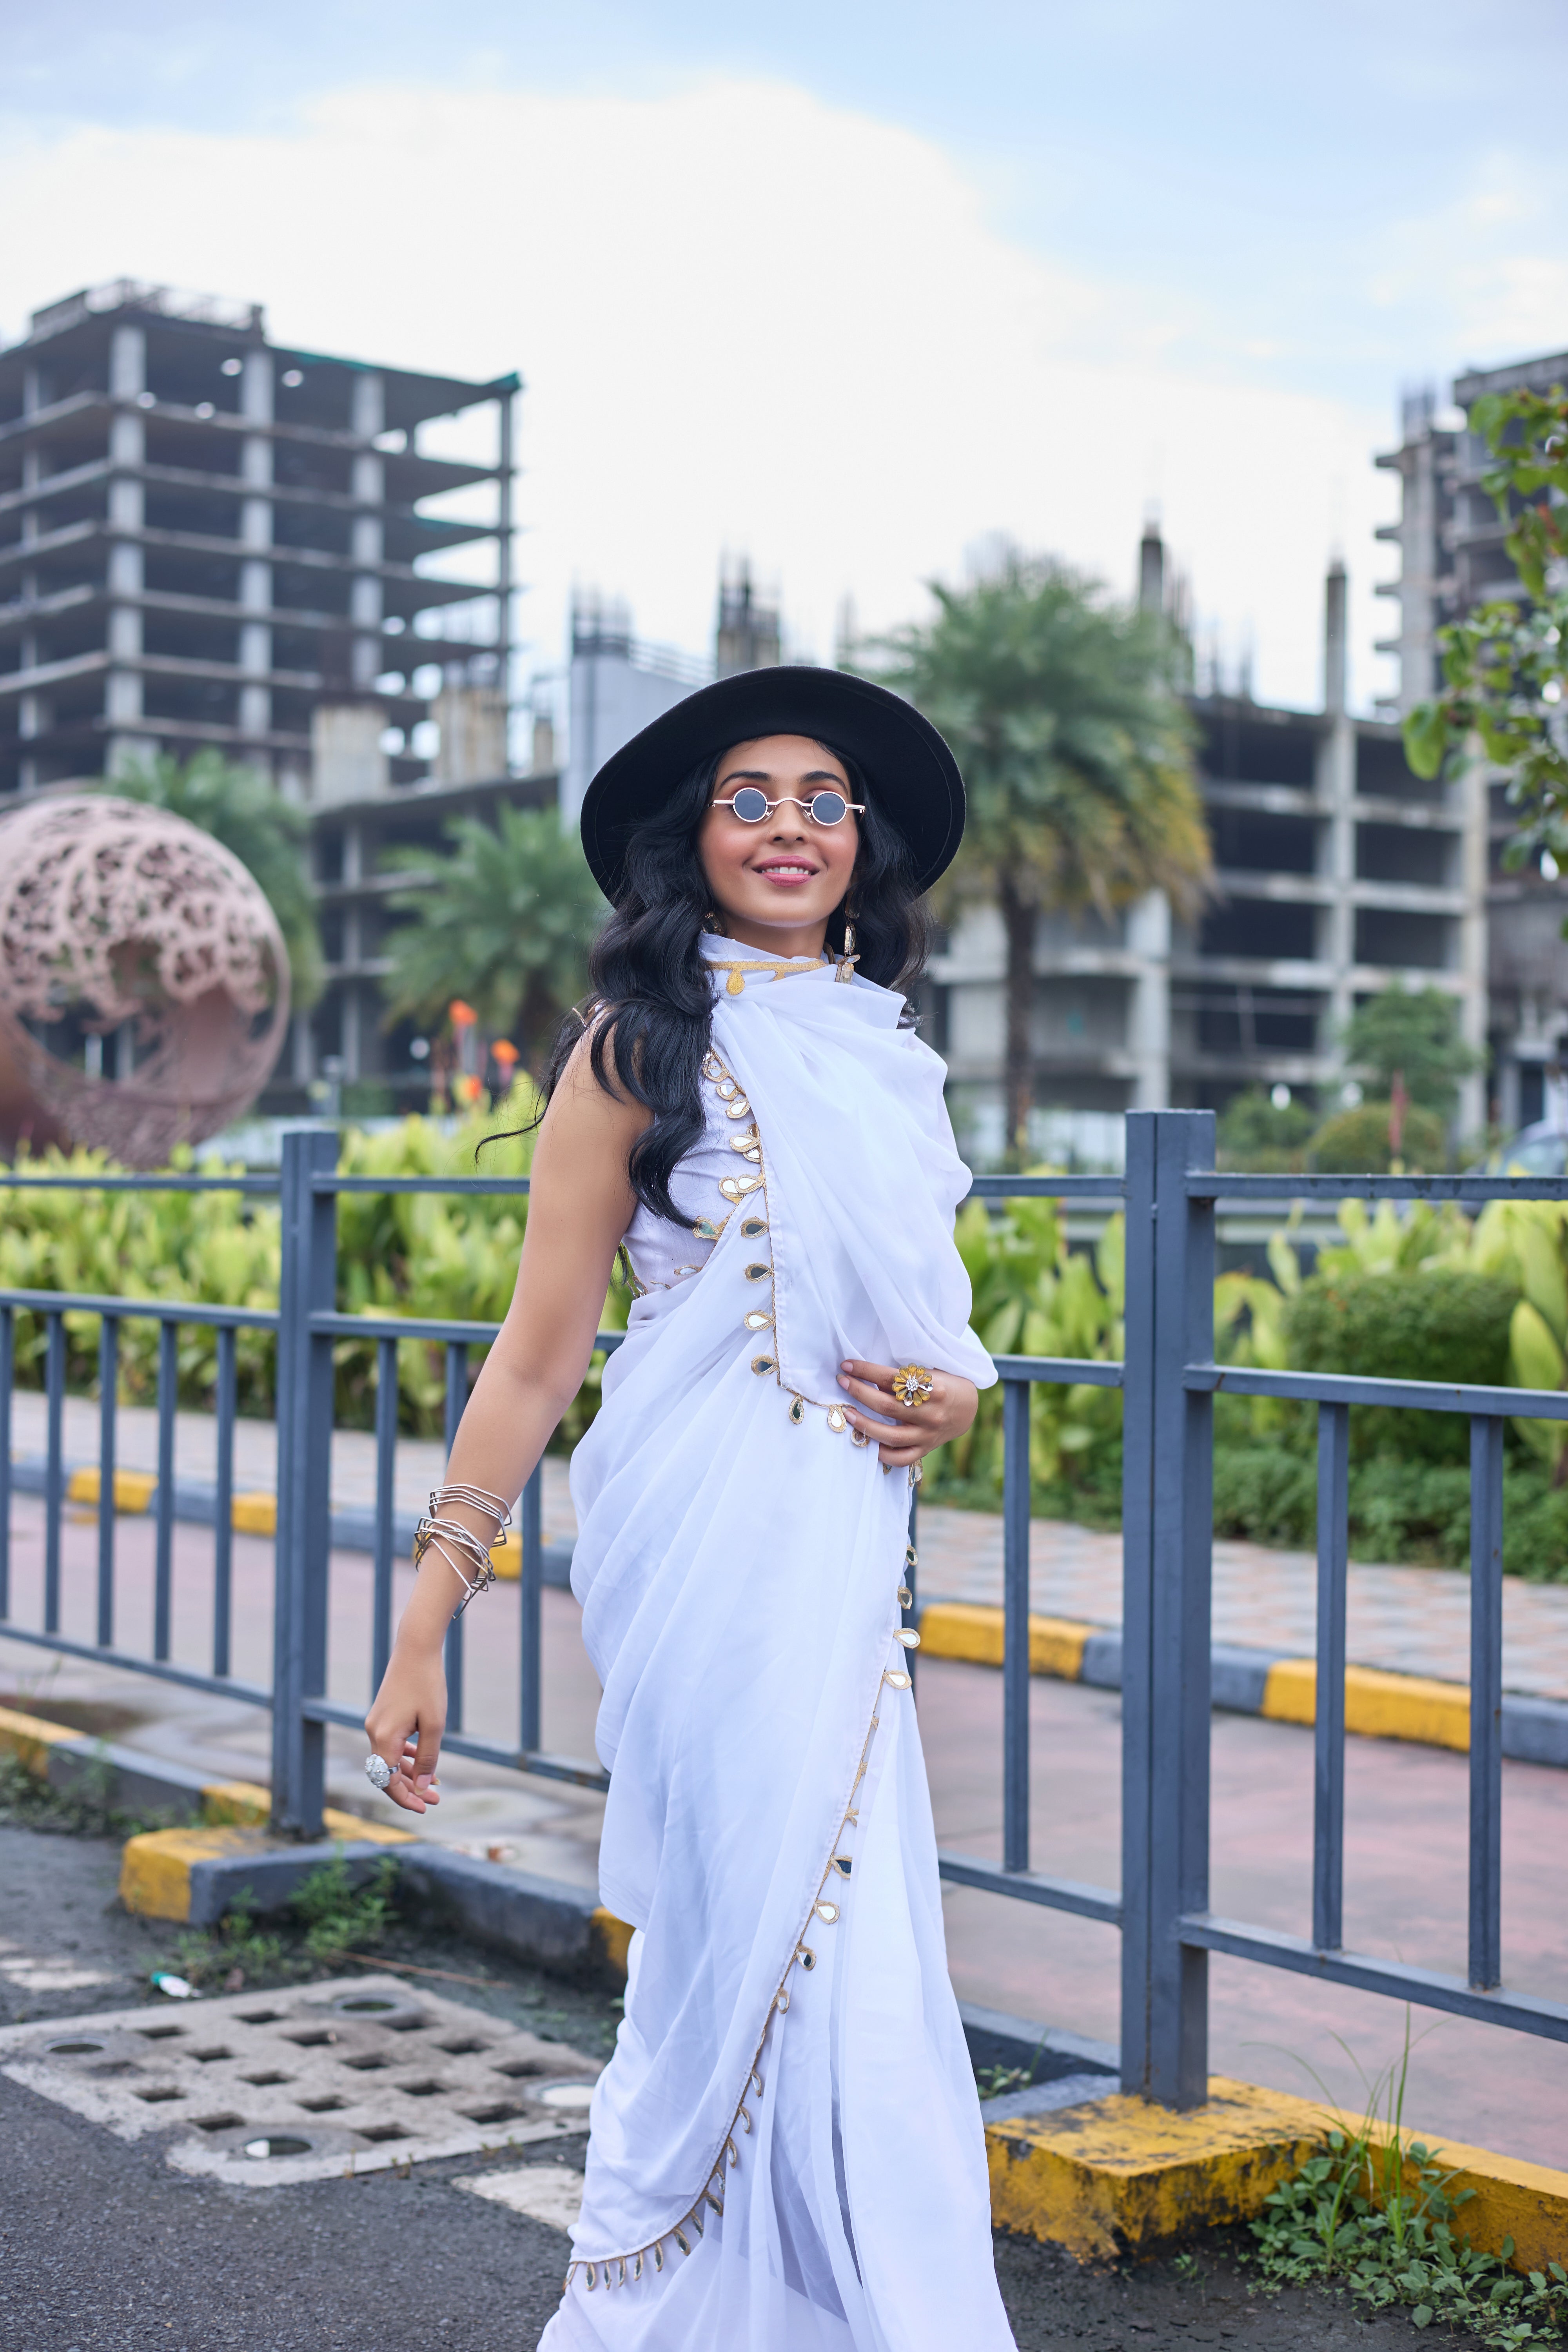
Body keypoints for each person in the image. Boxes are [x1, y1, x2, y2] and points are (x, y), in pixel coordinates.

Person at [365, 668, 1018, 2350]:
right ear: (694, 840)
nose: (789, 823)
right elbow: (534, 1355)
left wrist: (963, 1393)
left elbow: (924, 1335)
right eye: (750, 797)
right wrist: (428, 1612)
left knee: (853, 1933)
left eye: (821, 798)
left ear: (859, 844)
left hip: (836, 1549)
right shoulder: (634, 1049)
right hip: (691, 1547)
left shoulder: (884, 1059)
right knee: (736, 1932)